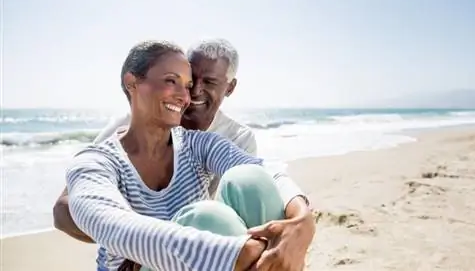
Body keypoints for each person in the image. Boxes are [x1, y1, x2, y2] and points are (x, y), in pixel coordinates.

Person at [64, 40, 315, 271]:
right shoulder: (96, 160)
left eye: (187, 85)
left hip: (208, 257)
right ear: (132, 83)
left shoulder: (198, 144)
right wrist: (234, 253)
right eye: (172, 81)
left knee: (250, 178)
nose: (187, 95)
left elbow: (263, 169)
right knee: (210, 219)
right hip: (144, 264)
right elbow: (108, 222)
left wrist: (302, 217)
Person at [53, 38, 256, 242]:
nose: (193, 92)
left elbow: (237, 221)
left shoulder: (235, 139)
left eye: (210, 82)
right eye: (191, 80)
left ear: (230, 88)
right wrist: (132, 243)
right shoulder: (127, 128)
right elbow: (63, 209)